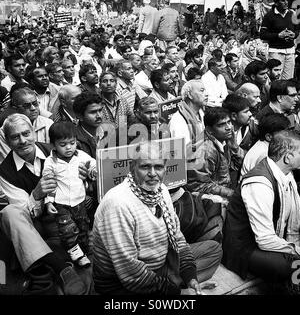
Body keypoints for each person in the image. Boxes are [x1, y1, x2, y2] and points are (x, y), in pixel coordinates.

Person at [92, 140, 222, 295]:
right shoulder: (117, 204)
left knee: (213, 250)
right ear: (132, 168)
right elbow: (130, 273)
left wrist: (190, 277)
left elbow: (177, 237)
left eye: (158, 167)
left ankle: (175, 284)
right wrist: (177, 293)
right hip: (123, 283)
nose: (152, 173)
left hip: (160, 265)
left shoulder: (161, 191)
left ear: (165, 169)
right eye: (145, 166)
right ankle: (169, 287)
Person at [0, 114, 88, 295]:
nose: (23, 141)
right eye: (15, 137)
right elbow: (22, 213)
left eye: (26, 133)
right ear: (7, 141)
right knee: (9, 212)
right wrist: (37, 194)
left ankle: (44, 272)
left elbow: (88, 177)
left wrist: (85, 179)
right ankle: (62, 268)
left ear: (34, 133)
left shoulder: (58, 148)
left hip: (69, 216)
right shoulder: (5, 171)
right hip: (36, 226)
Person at [223, 130, 300, 294]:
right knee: (290, 264)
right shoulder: (259, 182)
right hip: (245, 248)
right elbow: (264, 239)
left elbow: (294, 220)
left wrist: (295, 243)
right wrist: (295, 249)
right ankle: (292, 289)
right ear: (287, 157)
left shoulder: (287, 173)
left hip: (271, 239)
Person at [42, 121, 97, 268]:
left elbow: (93, 163)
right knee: (67, 230)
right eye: (63, 144)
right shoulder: (50, 162)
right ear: (53, 145)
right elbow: (48, 182)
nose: (68, 147)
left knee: (83, 226)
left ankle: (84, 249)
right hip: (61, 204)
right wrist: (48, 202)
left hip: (80, 201)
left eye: (72, 143)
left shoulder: (80, 156)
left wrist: (93, 171)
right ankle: (77, 255)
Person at [186, 107, 244, 198]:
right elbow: (198, 186)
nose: (228, 128)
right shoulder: (205, 151)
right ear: (209, 130)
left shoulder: (223, 139)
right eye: (221, 125)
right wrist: (232, 194)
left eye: (229, 122)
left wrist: (235, 147)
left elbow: (235, 167)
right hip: (209, 203)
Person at [260, 0, 299, 80]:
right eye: (283, 1)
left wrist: (294, 34)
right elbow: (262, 34)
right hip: (276, 52)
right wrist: (278, 35)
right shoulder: (269, 16)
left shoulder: (292, 14)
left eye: (287, 0)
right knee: (276, 80)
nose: (286, 2)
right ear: (277, 2)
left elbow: (297, 30)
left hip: (290, 51)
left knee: (289, 80)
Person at [240, 113, 290, 177]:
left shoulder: (265, 146)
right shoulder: (264, 155)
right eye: (285, 134)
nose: (288, 137)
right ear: (269, 137)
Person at [169, 79, 207, 148]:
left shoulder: (201, 113)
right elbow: (180, 151)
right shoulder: (178, 120)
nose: (206, 94)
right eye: (202, 91)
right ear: (189, 95)